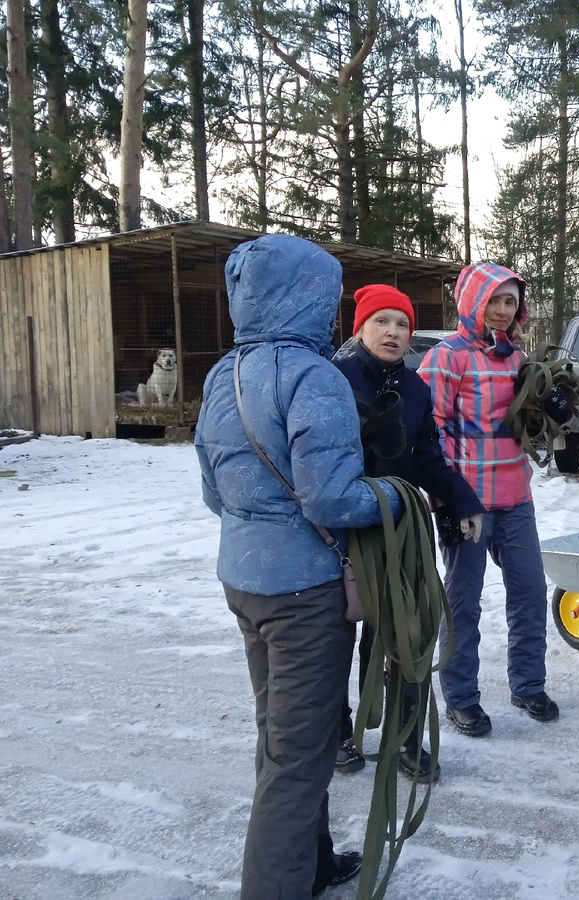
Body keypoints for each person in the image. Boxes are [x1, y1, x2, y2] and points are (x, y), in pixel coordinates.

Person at [195, 234, 408, 899]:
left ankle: (310, 864)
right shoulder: (314, 377)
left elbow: (213, 491)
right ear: (307, 297)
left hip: (243, 580)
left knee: (283, 736)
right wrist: (398, 497)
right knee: (298, 755)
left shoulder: (223, 374)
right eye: (328, 296)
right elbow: (331, 498)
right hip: (304, 594)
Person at [331, 284, 485, 780]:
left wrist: (461, 498)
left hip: (397, 532)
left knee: (405, 634)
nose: (393, 332)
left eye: (402, 324)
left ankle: (407, 742)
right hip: (337, 533)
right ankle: (336, 732)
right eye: (381, 321)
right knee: (334, 638)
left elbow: (426, 459)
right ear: (360, 328)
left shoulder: (416, 389)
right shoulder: (334, 379)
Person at [418, 262, 557, 737]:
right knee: (463, 602)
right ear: (472, 302)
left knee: (529, 592)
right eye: (493, 300)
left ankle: (528, 684)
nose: (501, 310)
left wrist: (554, 408)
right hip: (468, 503)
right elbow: (428, 429)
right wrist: (448, 494)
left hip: (516, 498)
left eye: (510, 301)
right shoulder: (446, 357)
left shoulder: (518, 358)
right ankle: (461, 697)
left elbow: (530, 420)